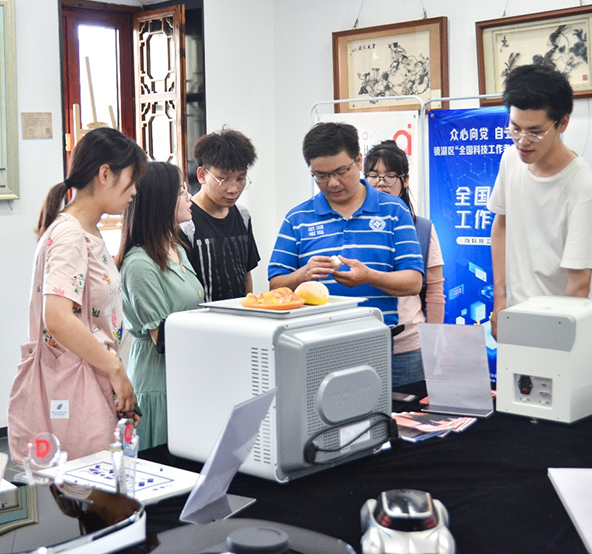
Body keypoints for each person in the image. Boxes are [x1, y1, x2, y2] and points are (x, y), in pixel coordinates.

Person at [9, 127, 147, 462]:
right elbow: (56, 317)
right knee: (87, 483)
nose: (134, 191)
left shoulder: (84, 229)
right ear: (105, 174)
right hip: (74, 386)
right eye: (131, 180)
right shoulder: (70, 234)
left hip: (88, 378)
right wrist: (115, 369)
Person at [487, 65, 592, 339]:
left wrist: (554, 339)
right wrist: (500, 299)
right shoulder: (510, 160)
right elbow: (501, 225)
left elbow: (579, 283)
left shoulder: (580, 184)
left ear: (562, 123)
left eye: (535, 132)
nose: (522, 141)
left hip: (561, 324)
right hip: (516, 314)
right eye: (515, 128)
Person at [268, 122, 424, 329]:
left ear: (358, 161)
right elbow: (275, 286)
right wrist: (303, 274)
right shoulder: (297, 218)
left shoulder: (394, 211)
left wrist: (369, 277)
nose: (333, 183)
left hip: (374, 337)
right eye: (321, 176)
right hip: (312, 337)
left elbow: (413, 282)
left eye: (341, 171)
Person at [118, 162, 205, 450]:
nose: (189, 197)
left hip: (186, 373)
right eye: (181, 192)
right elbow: (164, 339)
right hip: (158, 381)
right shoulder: (139, 264)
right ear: (160, 202)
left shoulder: (176, 248)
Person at [364, 140, 445, 387]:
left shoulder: (422, 228)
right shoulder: (352, 225)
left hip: (408, 346)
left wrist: (434, 342)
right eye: (373, 175)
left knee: (410, 410)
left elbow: (435, 291)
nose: (381, 183)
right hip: (359, 344)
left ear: (405, 180)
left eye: (390, 176)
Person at [180, 128, 260, 301]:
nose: (234, 189)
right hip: (201, 316)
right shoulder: (186, 222)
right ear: (202, 175)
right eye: (224, 179)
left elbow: (246, 275)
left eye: (241, 179)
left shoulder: (243, 216)